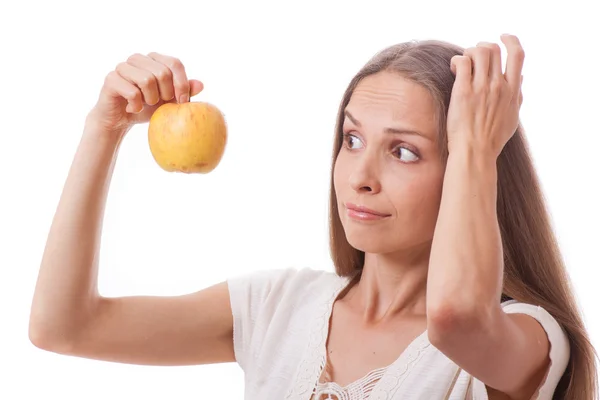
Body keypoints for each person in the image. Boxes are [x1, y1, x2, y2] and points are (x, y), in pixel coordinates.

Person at [28, 34, 597, 399]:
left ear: (469, 171)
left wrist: (478, 147)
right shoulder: (277, 305)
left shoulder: (529, 337)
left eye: (403, 151)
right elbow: (63, 327)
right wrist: (101, 131)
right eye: (352, 139)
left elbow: (456, 321)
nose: (359, 175)